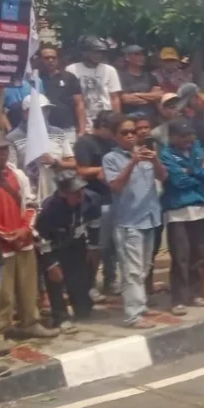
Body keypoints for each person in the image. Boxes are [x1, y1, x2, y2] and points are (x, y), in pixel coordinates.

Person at [103, 115, 166, 329]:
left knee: (144, 268)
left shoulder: (147, 152)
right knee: (131, 269)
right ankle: (133, 314)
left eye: (132, 131)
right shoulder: (111, 158)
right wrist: (132, 162)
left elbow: (163, 177)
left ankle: (140, 305)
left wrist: (155, 160)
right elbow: (116, 186)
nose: (130, 135)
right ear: (115, 136)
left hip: (150, 217)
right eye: (124, 132)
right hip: (129, 221)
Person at [0, 133, 56, 340]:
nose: (2, 154)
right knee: (3, 295)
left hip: (23, 240)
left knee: (28, 287)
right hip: (1, 247)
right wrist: (6, 235)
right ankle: (1, 332)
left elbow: (32, 204)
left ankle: (29, 323)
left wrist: (24, 229)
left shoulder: (17, 175)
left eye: (4, 149)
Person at [160, 118, 204, 316]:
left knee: (199, 255)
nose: (188, 139)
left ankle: (195, 294)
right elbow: (178, 180)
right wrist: (200, 171)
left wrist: (192, 171)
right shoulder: (166, 155)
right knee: (181, 258)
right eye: (183, 136)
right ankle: (178, 299)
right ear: (173, 137)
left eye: (190, 135)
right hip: (179, 213)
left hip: (201, 209)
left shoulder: (198, 149)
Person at [36, 172, 103, 334]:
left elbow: (95, 224)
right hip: (54, 247)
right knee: (56, 281)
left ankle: (83, 307)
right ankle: (60, 317)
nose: (80, 194)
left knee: (82, 279)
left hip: (77, 244)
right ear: (62, 193)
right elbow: (41, 238)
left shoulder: (91, 199)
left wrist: (93, 247)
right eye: (74, 192)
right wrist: (51, 264)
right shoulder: (50, 208)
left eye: (81, 189)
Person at [74, 110, 119, 300]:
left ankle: (111, 279)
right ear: (101, 127)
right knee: (96, 245)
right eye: (112, 130)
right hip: (94, 199)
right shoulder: (85, 143)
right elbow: (81, 170)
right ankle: (89, 285)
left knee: (111, 245)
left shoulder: (112, 142)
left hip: (112, 196)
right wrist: (105, 169)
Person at [7, 94, 76, 202]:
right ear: (25, 113)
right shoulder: (13, 138)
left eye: (46, 110)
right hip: (29, 196)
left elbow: (73, 163)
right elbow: (12, 170)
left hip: (57, 193)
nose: (44, 114)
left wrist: (55, 162)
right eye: (39, 110)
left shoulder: (58, 133)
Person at [67, 36, 122, 128]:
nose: (99, 55)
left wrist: (117, 122)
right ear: (85, 52)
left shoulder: (110, 70)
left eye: (102, 53)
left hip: (106, 120)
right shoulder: (72, 69)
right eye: (96, 52)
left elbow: (115, 98)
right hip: (83, 120)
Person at [37, 44, 86, 138]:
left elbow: (79, 104)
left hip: (67, 128)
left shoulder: (69, 77)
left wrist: (82, 130)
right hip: (43, 129)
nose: (50, 60)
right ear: (40, 59)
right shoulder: (35, 79)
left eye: (53, 58)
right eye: (46, 58)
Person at [118, 45, 163, 124]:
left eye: (142, 54)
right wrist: (149, 97)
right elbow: (126, 99)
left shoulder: (150, 76)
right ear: (127, 57)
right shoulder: (121, 76)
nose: (141, 57)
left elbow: (158, 95)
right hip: (130, 117)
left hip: (150, 117)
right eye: (137, 54)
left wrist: (136, 94)